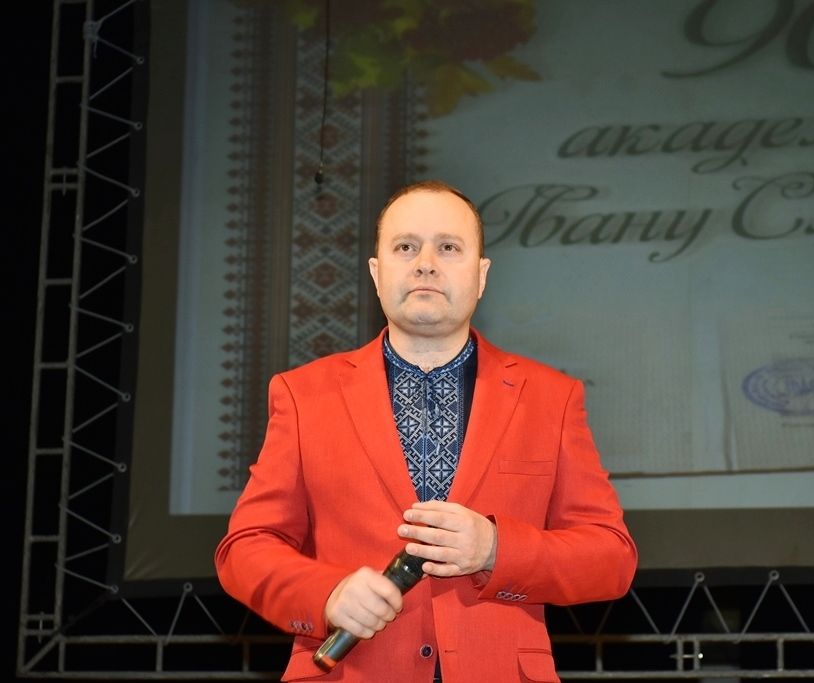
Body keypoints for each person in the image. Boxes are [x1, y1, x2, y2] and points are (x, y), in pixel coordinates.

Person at [214, 179, 638, 682]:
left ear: (481, 275)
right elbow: (246, 548)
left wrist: (495, 549)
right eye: (405, 247)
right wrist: (326, 594)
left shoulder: (551, 398)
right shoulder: (303, 394)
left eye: (449, 247)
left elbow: (610, 557)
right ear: (376, 273)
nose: (426, 263)